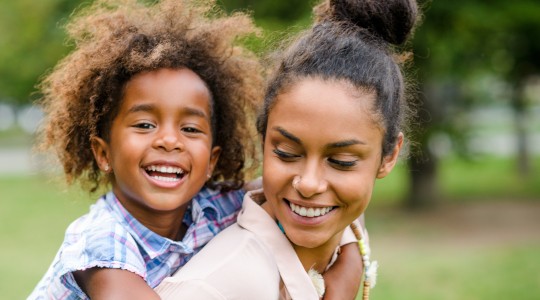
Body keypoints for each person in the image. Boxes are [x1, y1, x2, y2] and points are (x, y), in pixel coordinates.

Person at [29, 0, 365, 299]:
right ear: (103, 154)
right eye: (145, 124)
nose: (169, 141)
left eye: (190, 129)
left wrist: (349, 266)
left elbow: (309, 197)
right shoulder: (101, 240)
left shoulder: (213, 206)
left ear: (211, 161)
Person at [155, 0, 419, 299]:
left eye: (341, 161)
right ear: (264, 137)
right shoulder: (213, 288)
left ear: (389, 157)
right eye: (286, 153)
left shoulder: (343, 237)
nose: (308, 184)